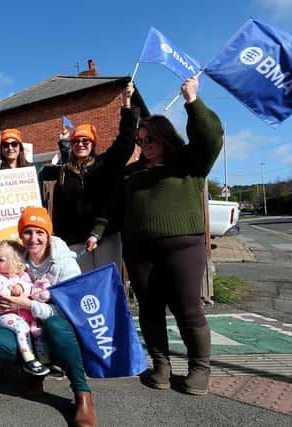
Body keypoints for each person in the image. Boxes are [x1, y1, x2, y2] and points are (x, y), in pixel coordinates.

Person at [117, 76, 223, 396]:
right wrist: (125, 107)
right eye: (141, 141)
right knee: (149, 308)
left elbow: (211, 137)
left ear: (164, 136)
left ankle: (199, 369)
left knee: (187, 306)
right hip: (139, 250)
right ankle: (161, 365)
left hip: (183, 246)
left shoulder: (189, 161)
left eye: (150, 139)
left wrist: (192, 101)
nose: (145, 145)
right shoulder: (133, 173)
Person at [0, 206, 96, 427]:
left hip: (60, 327)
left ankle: (82, 394)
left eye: (40, 232)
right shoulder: (17, 257)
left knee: (55, 324)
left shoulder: (65, 263)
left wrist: (29, 304)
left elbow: (71, 310)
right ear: (20, 234)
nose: (33, 238)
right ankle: (35, 374)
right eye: (27, 232)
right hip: (25, 324)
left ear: (48, 234)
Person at [40, 82, 137, 273]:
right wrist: (59, 241)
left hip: (105, 236)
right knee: (83, 289)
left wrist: (126, 106)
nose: (81, 144)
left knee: (107, 284)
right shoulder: (64, 172)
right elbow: (56, 205)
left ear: (93, 144)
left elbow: (126, 143)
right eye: (76, 141)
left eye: (86, 141)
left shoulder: (105, 164)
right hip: (74, 241)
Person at [0, 240, 51, 376]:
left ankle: (45, 361)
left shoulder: (22, 275)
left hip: (24, 313)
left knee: (37, 331)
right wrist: (8, 291)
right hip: (4, 315)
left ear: (12, 263)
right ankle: (29, 359)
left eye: (1, 260)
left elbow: (31, 288)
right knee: (22, 328)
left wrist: (22, 288)